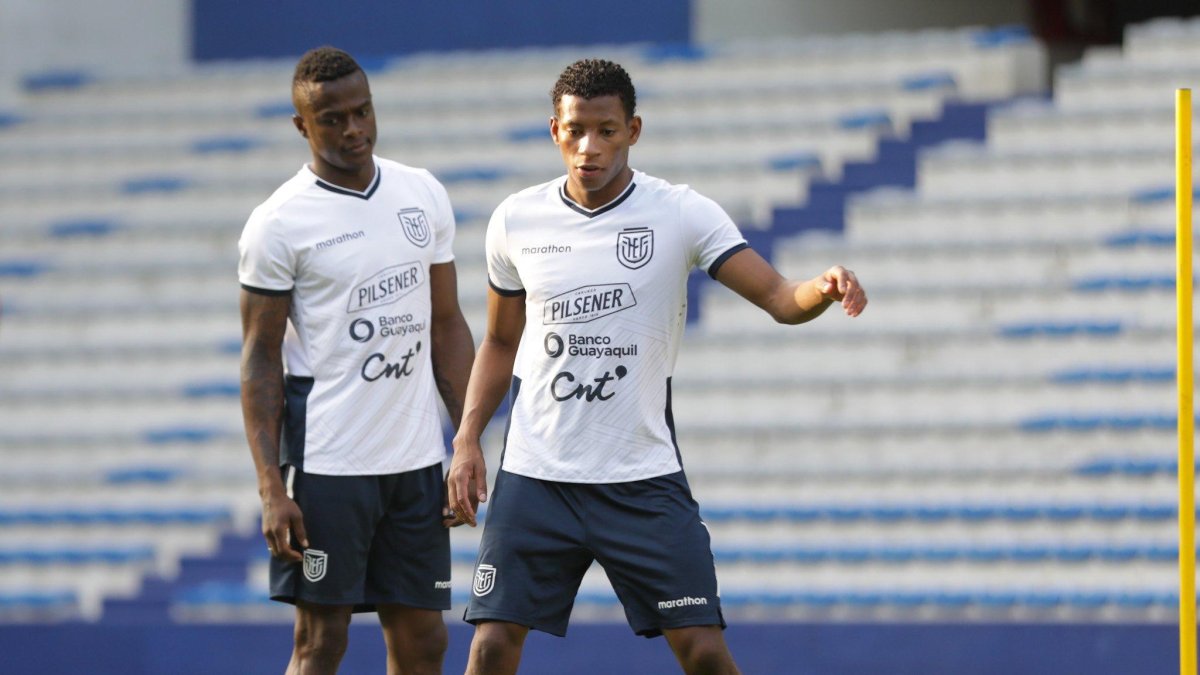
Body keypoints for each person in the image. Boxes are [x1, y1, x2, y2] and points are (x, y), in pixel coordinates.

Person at [446, 58, 867, 675]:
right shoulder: (516, 219)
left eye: (607, 131)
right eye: (575, 130)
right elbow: (500, 340)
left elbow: (780, 298)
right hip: (536, 478)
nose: (589, 147)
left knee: (703, 651)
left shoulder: (680, 212)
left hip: (640, 478)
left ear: (634, 131)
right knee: (490, 646)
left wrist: (820, 289)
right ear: (555, 130)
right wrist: (467, 439)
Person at [238, 46, 475, 675]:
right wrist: (270, 486)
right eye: (333, 119)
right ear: (302, 126)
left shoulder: (421, 191)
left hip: (416, 462)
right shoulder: (278, 223)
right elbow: (260, 359)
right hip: (330, 465)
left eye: (363, 112)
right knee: (321, 643)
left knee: (425, 641)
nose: (354, 129)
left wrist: (467, 440)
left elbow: (447, 323)